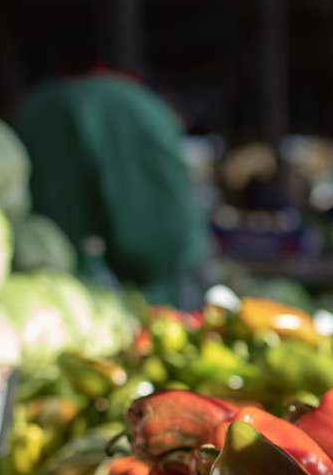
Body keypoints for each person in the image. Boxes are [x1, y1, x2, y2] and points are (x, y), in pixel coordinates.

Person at [13, 60, 208, 306]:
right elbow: (163, 240)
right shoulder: (136, 108)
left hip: (37, 286)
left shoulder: (37, 102)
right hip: (130, 298)